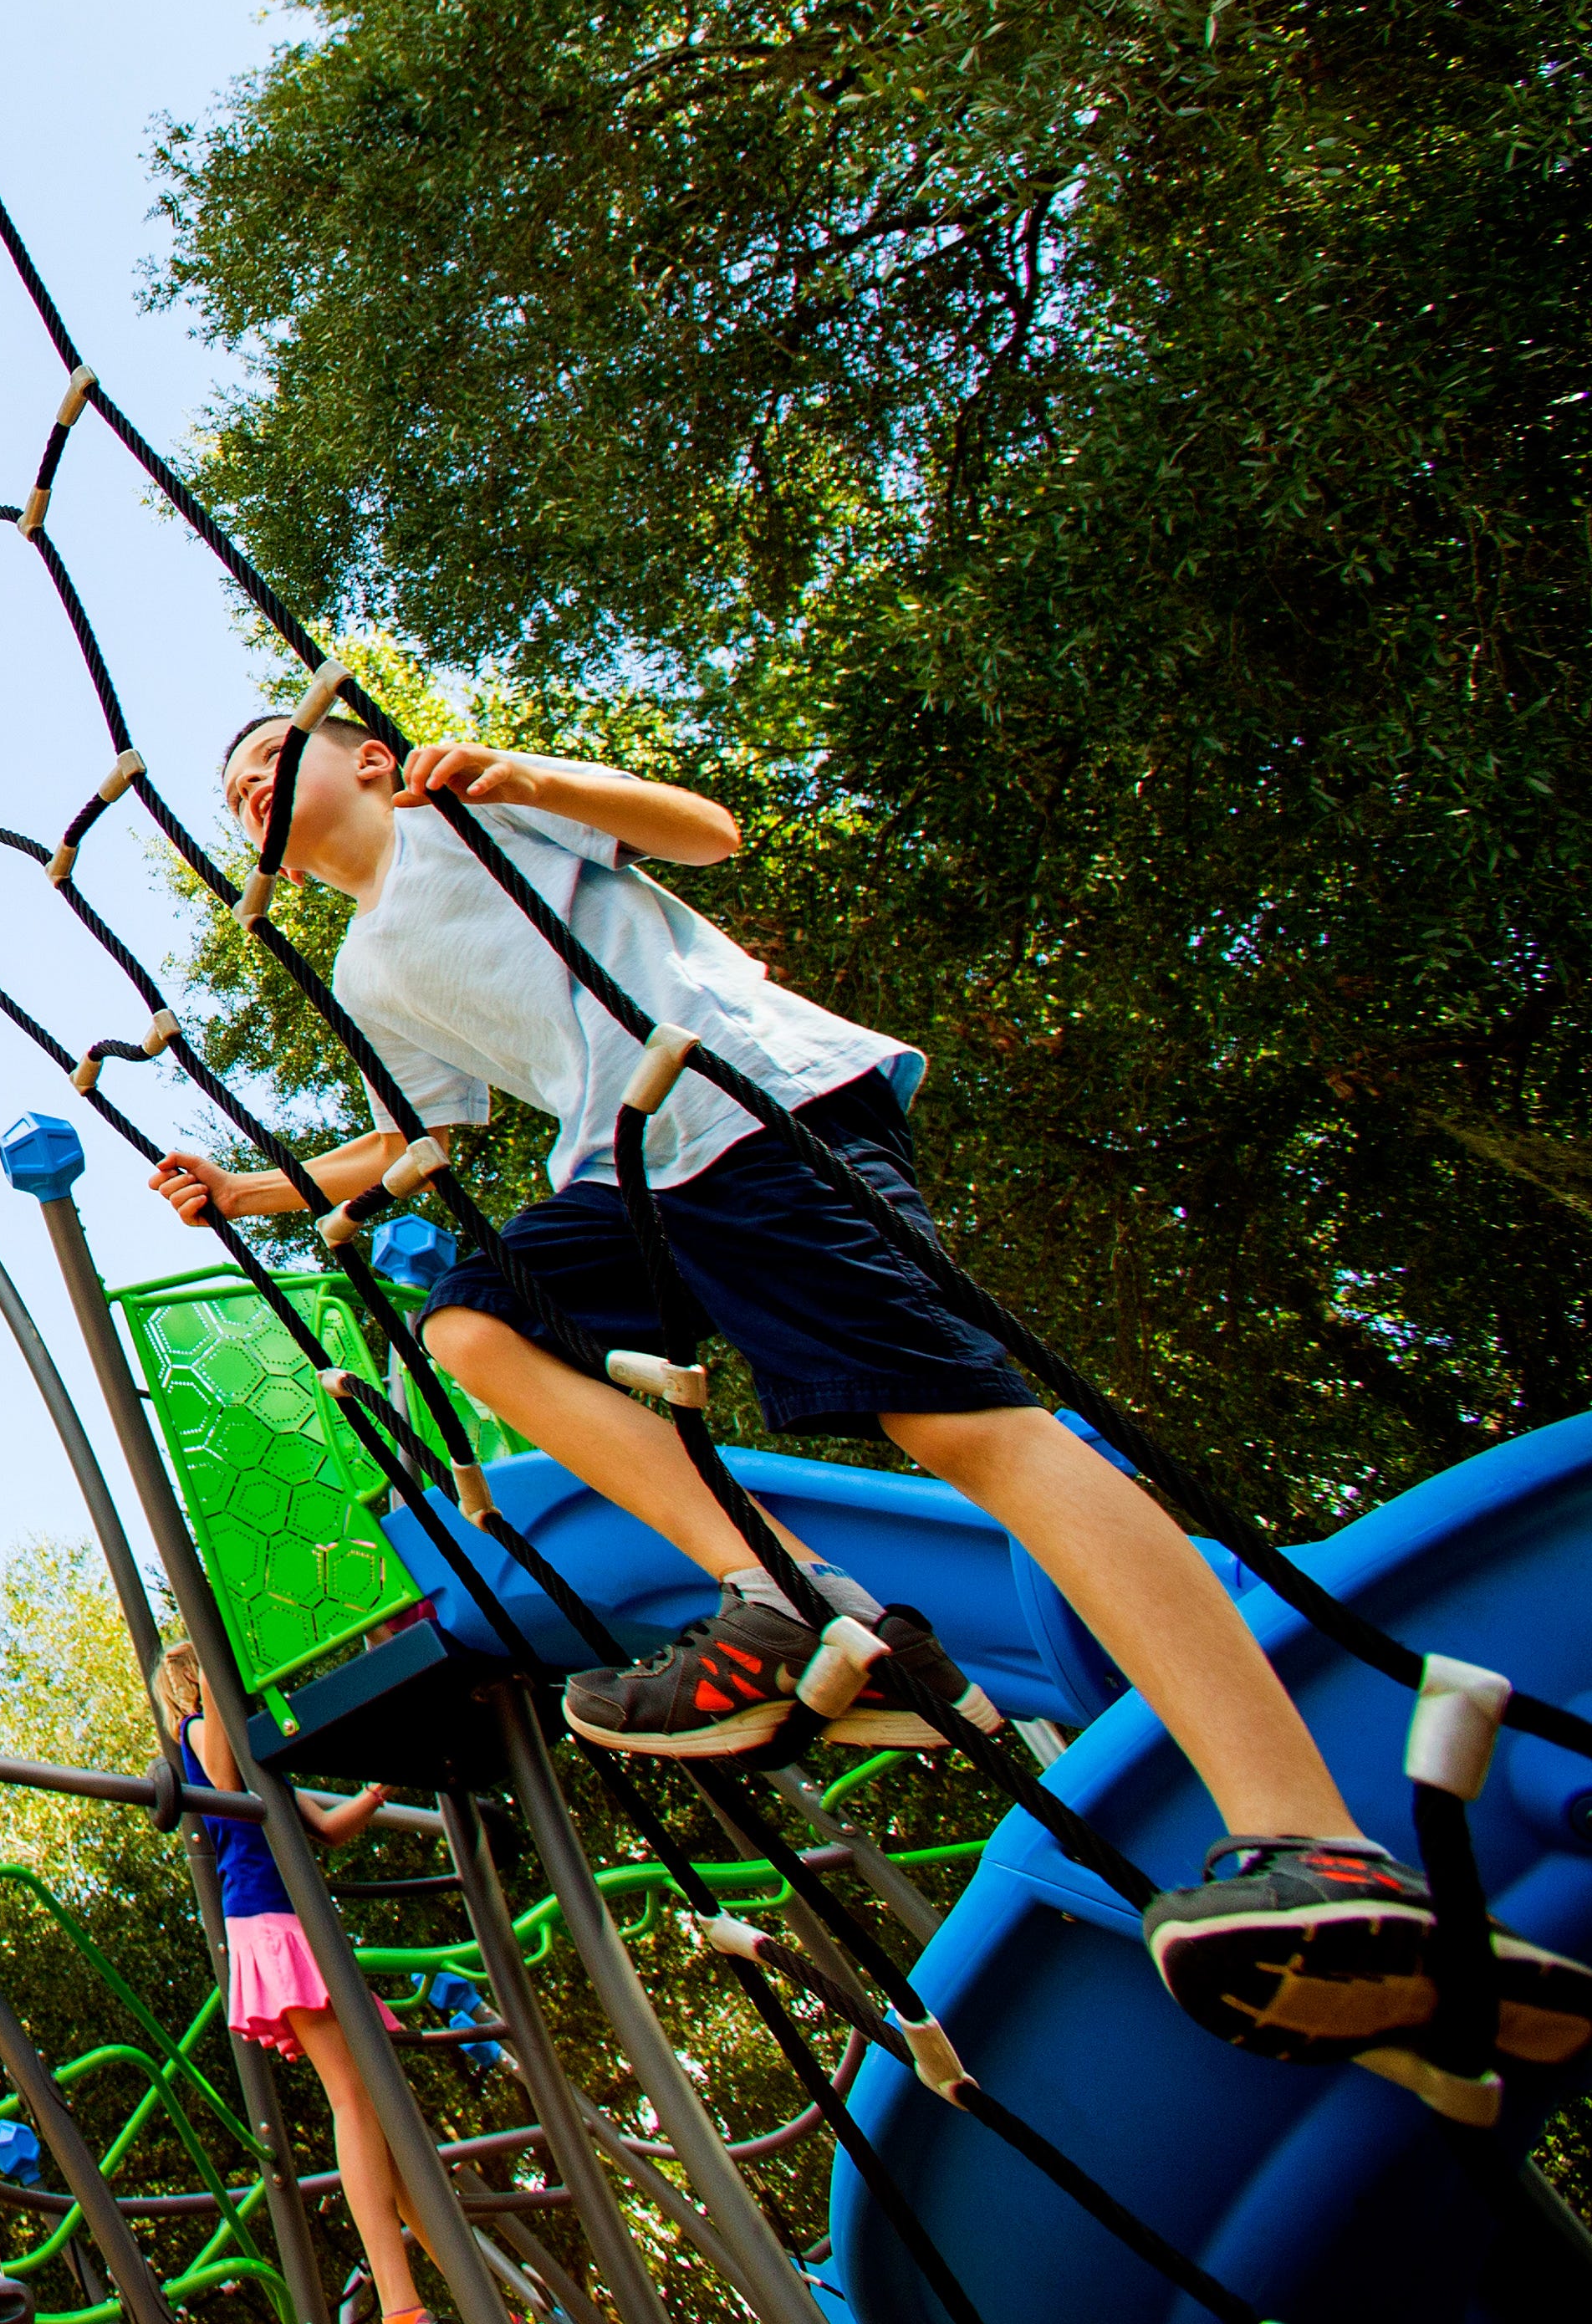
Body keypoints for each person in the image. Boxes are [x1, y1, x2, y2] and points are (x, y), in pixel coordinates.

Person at [147, 718, 1592, 2079]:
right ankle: (785, 1593)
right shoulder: (365, 964)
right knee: (472, 1328)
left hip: (746, 1098)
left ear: (372, 759)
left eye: (275, 757)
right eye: (234, 796)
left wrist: (524, 773)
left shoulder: (463, 818)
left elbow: (701, 833)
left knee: (959, 1427)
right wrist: (244, 1193)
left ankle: (1313, 1839)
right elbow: (414, 1135)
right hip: (627, 1163)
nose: (252, 793)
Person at [155, 1641, 437, 2324]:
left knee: (379, 2108)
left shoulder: (260, 1759)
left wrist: (376, 1790)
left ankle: (448, 2274)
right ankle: (400, 2304)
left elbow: (328, 1827)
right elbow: (221, 1776)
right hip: (269, 1919)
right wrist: (210, 1643)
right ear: (196, 1688)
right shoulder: (201, 1737)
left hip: (299, 1922)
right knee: (353, 2096)